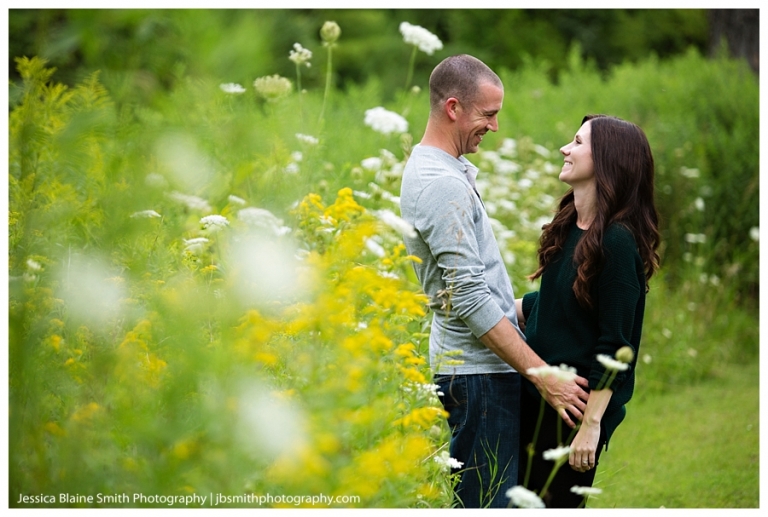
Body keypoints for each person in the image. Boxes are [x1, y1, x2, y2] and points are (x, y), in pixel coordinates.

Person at [399, 54, 590, 509]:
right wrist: (543, 375)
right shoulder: (439, 183)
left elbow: (475, 287)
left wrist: (551, 302)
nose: (495, 126)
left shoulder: (446, 173)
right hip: (477, 375)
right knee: (489, 505)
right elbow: (468, 297)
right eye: (488, 114)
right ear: (453, 108)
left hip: (483, 370)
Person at [515, 114, 661, 507]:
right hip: (537, 398)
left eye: (578, 143)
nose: (566, 148)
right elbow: (556, 306)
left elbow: (615, 346)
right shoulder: (569, 224)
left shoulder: (616, 242)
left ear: (607, 161)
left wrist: (590, 427)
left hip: (573, 411)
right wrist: (479, 311)